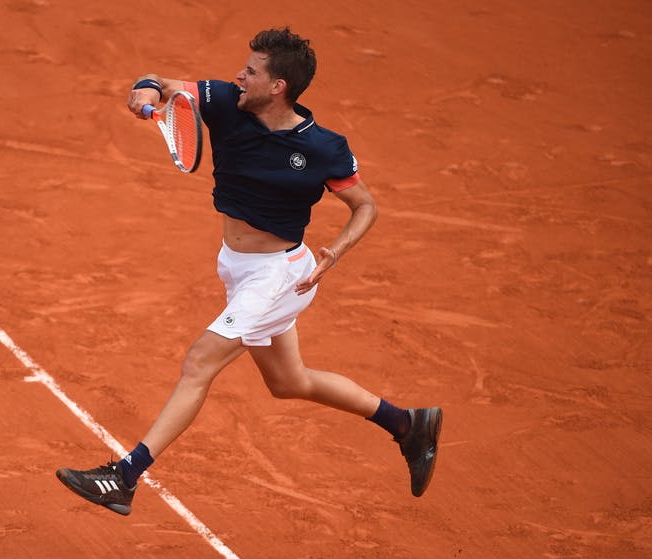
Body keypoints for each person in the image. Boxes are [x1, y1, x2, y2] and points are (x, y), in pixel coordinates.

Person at [56, 27, 441, 516]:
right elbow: (166, 83)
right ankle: (408, 423)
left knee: (200, 362)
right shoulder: (224, 100)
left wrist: (336, 251)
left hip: (279, 277)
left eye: (252, 71)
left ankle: (124, 477)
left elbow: (364, 206)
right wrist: (147, 89)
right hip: (237, 267)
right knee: (289, 382)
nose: (241, 75)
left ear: (278, 86)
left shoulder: (323, 147)